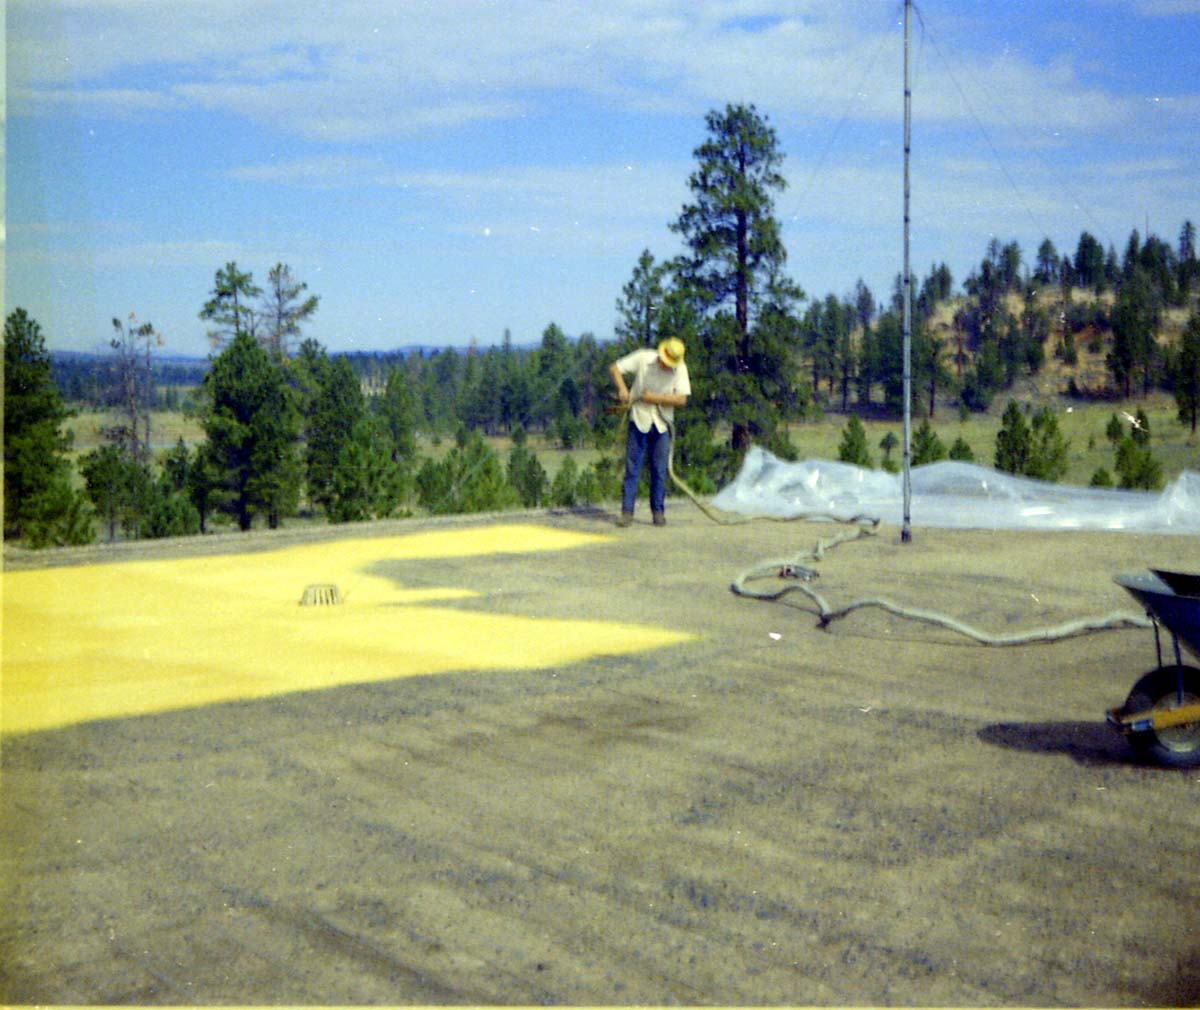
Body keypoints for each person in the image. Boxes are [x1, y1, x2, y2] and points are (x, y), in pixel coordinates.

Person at [608, 337, 690, 527]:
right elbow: (615, 368)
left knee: (659, 469)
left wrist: (655, 398)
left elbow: (682, 400)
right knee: (632, 467)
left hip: (663, 423)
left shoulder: (681, 369)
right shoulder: (644, 358)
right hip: (639, 418)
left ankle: (658, 511)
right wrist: (622, 389)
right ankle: (627, 512)